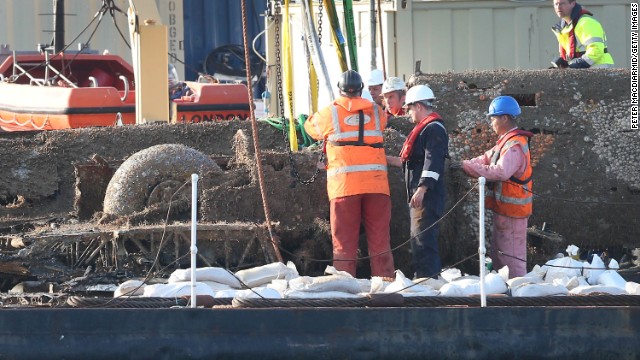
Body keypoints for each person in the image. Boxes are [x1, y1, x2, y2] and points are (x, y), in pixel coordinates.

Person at [304, 70, 395, 278]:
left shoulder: (330, 113)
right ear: (362, 89)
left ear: (340, 90)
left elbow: (310, 127)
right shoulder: (376, 110)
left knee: (344, 244)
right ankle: (386, 286)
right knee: (380, 241)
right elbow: (384, 122)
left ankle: (345, 288)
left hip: (344, 188)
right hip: (377, 186)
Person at [461, 96, 533, 278]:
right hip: (505, 211)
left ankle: (517, 298)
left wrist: (468, 167)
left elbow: (501, 172)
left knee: (513, 260)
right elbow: (486, 158)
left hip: (514, 213)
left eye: (493, 117)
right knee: (500, 257)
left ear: (505, 118)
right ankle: (503, 295)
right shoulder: (505, 142)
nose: (491, 122)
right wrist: (465, 164)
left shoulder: (515, 144)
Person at [386, 85, 448, 279]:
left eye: (410, 108)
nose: (409, 113)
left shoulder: (433, 129)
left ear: (419, 106)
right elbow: (410, 163)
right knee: (419, 239)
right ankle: (425, 278)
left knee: (423, 240)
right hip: (421, 194)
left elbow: (433, 161)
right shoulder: (426, 129)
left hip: (427, 196)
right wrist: (384, 158)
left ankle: (427, 280)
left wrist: (422, 189)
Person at [551, 0, 614, 69]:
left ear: (573, 3)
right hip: (586, 72)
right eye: (556, 4)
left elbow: (596, 50)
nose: (558, 7)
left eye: (562, 3)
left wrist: (576, 66)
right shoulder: (563, 29)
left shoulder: (586, 22)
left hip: (599, 70)